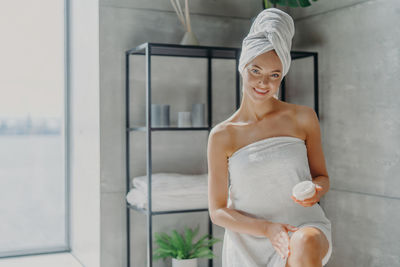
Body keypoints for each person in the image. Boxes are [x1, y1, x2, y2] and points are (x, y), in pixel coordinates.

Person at [207, 8, 332, 267]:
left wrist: (316, 190)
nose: (264, 82)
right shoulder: (222, 135)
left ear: (282, 76)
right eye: (256, 70)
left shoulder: (303, 117)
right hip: (250, 240)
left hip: (304, 226)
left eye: (274, 75)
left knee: (304, 241)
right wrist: (267, 229)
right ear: (242, 67)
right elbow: (218, 212)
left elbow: (322, 177)